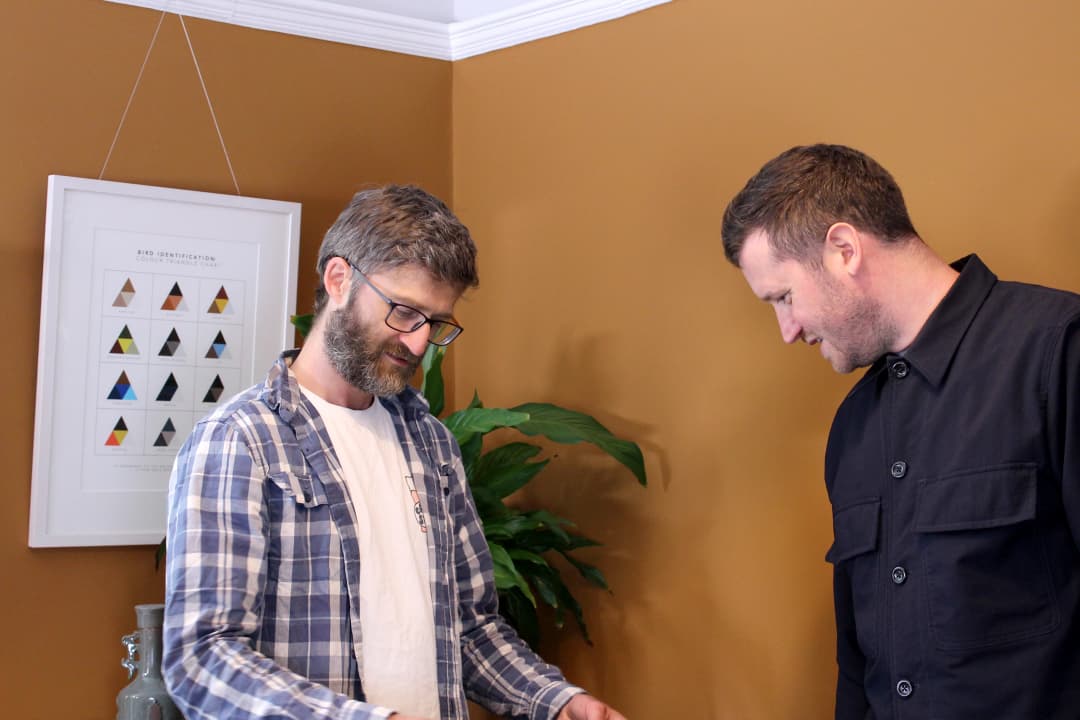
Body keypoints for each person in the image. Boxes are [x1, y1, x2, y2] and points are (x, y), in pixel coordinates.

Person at [163, 185, 626, 720]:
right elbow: (202, 657)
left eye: (436, 323)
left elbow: (470, 630)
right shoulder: (240, 440)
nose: (419, 343)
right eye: (404, 312)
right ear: (339, 280)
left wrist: (557, 701)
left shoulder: (432, 444)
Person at [721, 144, 1080, 719]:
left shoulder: (1057, 347)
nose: (787, 330)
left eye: (784, 297)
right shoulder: (853, 429)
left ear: (843, 250)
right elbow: (859, 672)